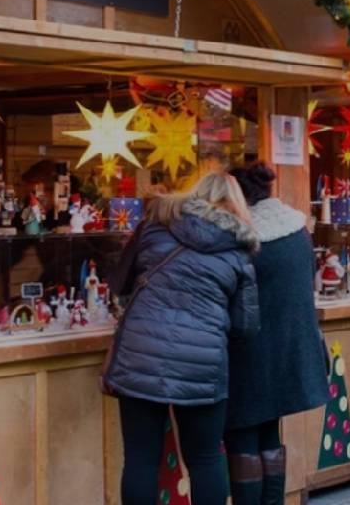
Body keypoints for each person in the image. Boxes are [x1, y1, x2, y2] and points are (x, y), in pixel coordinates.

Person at [103, 171, 259, 505]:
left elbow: (120, 282)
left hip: (141, 352)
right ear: (237, 205)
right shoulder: (238, 250)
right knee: (205, 459)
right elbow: (245, 325)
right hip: (203, 362)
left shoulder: (155, 226)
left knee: (141, 458)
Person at [225, 162, 330, 505]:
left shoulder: (241, 237)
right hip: (288, 346)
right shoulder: (297, 230)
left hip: (247, 350)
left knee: (241, 432)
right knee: (269, 430)